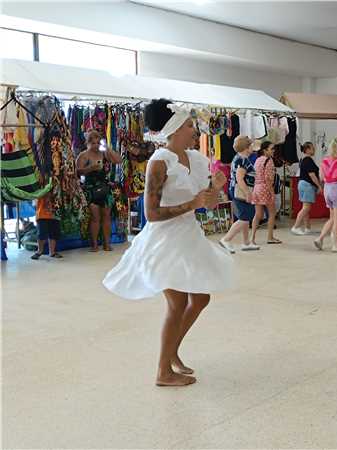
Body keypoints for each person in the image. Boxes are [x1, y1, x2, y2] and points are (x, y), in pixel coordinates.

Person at [103, 99, 232, 387]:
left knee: (200, 298)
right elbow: (151, 213)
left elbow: (206, 203)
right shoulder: (159, 162)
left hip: (188, 236)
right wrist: (194, 203)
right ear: (173, 129)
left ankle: (172, 353)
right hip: (165, 240)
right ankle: (163, 371)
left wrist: (215, 189)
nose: (194, 131)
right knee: (178, 302)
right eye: (189, 125)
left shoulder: (195, 159)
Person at [76, 129, 122, 252]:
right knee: (95, 217)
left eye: (98, 143)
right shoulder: (84, 155)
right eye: (93, 143)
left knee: (106, 216)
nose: (96, 145)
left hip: (105, 188)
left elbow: (119, 160)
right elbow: (78, 172)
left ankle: (107, 244)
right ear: (88, 143)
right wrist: (90, 168)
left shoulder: (104, 153)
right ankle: (94, 245)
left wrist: (107, 148)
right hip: (91, 188)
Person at [219, 136, 261, 253]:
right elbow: (239, 178)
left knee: (246, 216)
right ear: (247, 148)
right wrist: (248, 193)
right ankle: (226, 239)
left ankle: (246, 242)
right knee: (244, 217)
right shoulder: (242, 160)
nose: (253, 147)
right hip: (241, 191)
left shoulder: (239, 158)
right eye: (251, 145)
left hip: (239, 190)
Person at [251, 141, 281, 245]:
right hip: (265, 188)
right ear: (265, 150)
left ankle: (252, 238)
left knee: (258, 214)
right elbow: (269, 179)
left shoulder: (258, 160)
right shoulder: (269, 161)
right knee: (272, 213)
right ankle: (270, 237)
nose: (274, 151)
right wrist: (272, 193)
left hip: (257, 188)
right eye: (271, 149)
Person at [292, 142, 322, 235]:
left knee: (306, 208)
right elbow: (312, 175)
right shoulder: (308, 160)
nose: (314, 150)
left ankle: (307, 228)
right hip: (307, 185)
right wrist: (319, 186)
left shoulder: (304, 160)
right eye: (313, 148)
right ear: (308, 149)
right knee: (306, 208)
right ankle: (296, 226)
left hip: (303, 184)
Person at [31, 186, 62, 260]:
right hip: (42, 214)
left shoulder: (57, 184)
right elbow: (35, 201)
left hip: (55, 214)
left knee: (54, 233)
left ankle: (52, 252)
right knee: (41, 233)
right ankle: (39, 251)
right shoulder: (39, 185)